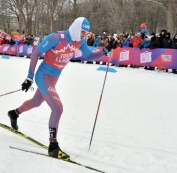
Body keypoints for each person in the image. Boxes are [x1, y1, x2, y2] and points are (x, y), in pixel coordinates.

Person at [7, 17, 116, 161]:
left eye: (86, 33)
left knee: (36, 102)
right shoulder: (56, 37)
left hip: (54, 77)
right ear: (77, 28)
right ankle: (53, 146)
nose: (85, 35)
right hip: (44, 75)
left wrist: (105, 50)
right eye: (83, 32)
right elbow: (35, 53)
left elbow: (89, 55)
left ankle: (14, 114)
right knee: (57, 108)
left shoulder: (80, 41)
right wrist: (29, 77)